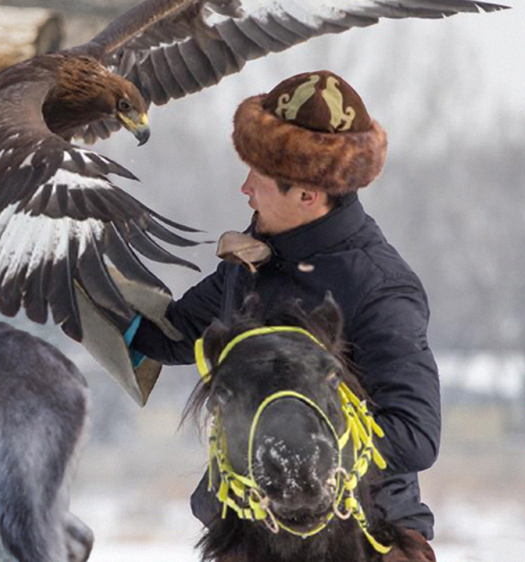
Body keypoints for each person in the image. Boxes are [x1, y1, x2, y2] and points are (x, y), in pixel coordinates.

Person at [126, 70, 441, 561]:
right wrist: (78, 289)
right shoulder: (260, 254)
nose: (245, 188)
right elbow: (176, 333)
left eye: (260, 176)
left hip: (362, 537)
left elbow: (416, 434)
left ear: (308, 195)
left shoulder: (379, 286)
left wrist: (297, 455)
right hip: (248, 537)